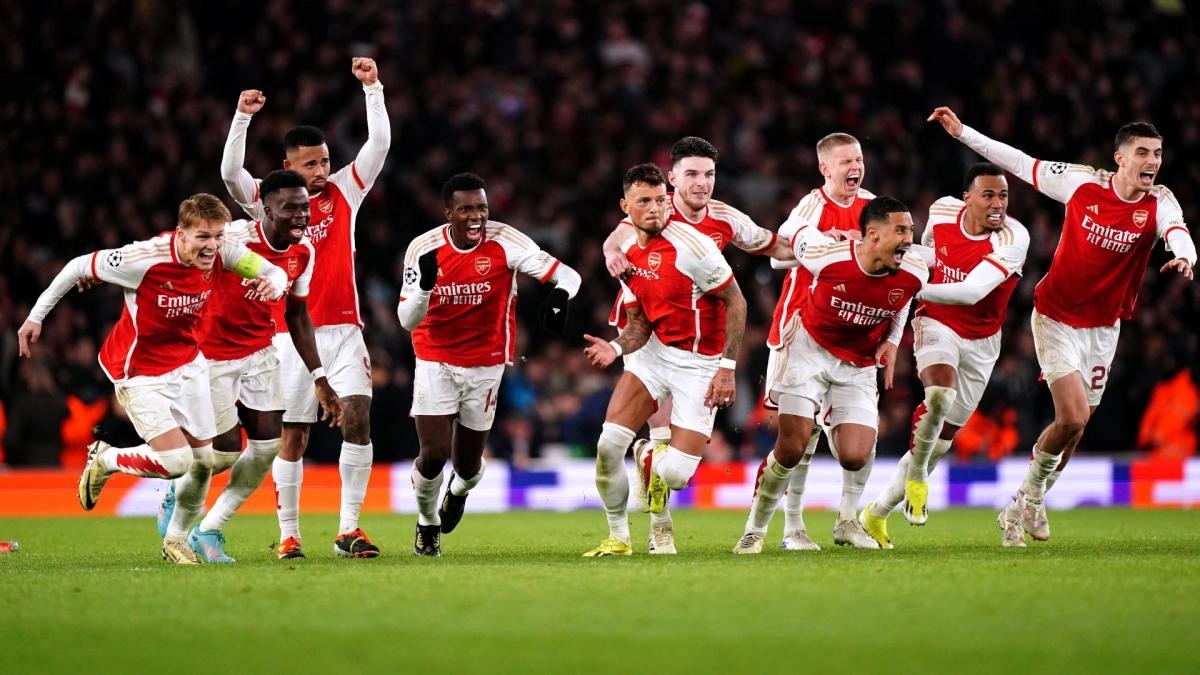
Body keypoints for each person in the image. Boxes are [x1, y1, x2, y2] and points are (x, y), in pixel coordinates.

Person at [928, 106, 1196, 547]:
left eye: (1158, 154)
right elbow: (1020, 162)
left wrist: (1185, 255)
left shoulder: (1159, 202)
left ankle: (1019, 506)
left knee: (1075, 428)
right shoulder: (1082, 183)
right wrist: (963, 134)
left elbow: (1177, 230)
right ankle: (1032, 497)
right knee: (1071, 416)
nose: (1152, 161)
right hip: (1055, 316)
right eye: (1143, 153)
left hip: (1104, 328)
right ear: (1120, 159)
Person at [17, 194, 288, 564]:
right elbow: (78, 266)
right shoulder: (144, 258)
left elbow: (272, 270)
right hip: (140, 372)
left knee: (204, 461)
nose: (212, 246)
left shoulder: (222, 252)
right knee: (177, 461)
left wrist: (274, 283)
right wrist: (36, 317)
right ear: (181, 233)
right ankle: (108, 458)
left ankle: (176, 540)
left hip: (189, 365)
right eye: (202, 237)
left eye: (217, 236)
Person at [220, 57, 391, 558]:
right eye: (311, 164)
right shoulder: (269, 200)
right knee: (292, 436)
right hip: (289, 335)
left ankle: (348, 529)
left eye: (324, 161)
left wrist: (373, 89)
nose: (321, 171)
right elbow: (230, 174)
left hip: (344, 331)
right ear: (289, 165)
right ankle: (289, 535)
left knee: (358, 416)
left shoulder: (345, 191)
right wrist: (242, 117)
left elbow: (379, 144)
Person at [600, 136, 790, 555]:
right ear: (673, 179)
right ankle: (660, 528)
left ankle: (653, 475)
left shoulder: (725, 218)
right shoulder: (654, 208)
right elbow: (616, 236)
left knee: (671, 461)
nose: (701, 183)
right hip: (648, 331)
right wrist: (611, 252)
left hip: (698, 343)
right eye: (691, 174)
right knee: (659, 429)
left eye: (709, 174)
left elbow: (775, 245)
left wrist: (829, 251)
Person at [157, 170, 345, 562]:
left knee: (266, 447)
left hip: (259, 353)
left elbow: (297, 315)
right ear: (266, 209)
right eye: (289, 207)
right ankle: (178, 489)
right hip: (210, 355)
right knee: (224, 452)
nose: (301, 215)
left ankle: (209, 529)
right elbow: (180, 249)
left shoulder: (304, 252)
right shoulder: (232, 239)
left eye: (304, 207)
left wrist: (319, 376)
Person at [397, 172, 580, 557]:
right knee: (433, 455)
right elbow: (407, 320)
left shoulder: (506, 241)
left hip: (486, 364)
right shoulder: (423, 249)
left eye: (481, 207)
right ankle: (427, 523)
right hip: (435, 359)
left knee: (467, 468)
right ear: (448, 213)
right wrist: (425, 288)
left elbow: (568, 273)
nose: (477, 216)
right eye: (466, 209)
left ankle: (458, 491)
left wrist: (561, 293)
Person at [733, 197, 927, 554]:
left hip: (858, 363)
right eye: (900, 230)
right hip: (808, 351)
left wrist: (892, 339)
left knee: (855, 454)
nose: (908, 239)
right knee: (792, 447)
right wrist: (824, 234)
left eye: (910, 231)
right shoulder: (827, 255)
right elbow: (789, 234)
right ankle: (754, 530)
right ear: (872, 234)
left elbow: (903, 298)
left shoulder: (914, 269)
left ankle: (847, 522)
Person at [858, 163, 1030, 548]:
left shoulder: (1013, 237)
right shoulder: (941, 211)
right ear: (967, 198)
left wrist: (909, 286)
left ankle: (876, 513)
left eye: (1003, 195)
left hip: (982, 341)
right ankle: (918, 476)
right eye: (988, 195)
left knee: (941, 439)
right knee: (939, 394)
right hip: (936, 321)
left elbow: (971, 292)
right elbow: (930, 255)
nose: (998, 204)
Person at [582, 163, 747, 557]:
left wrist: (726, 369)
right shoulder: (627, 252)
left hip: (699, 364)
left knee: (674, 476)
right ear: (626, 207)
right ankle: (619, 538)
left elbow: (737, 302)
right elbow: (638, 325)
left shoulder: (693, 247)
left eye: (660, 200)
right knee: (608, 445)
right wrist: (615, 348)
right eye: (644, 201)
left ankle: (647, 454)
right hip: (653, 354)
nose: (655, 208)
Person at [759, 132, 879, 551]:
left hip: (853, 335)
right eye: (846, 161)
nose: (855, 167)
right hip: (800, 330)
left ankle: (848, 520)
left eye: (858, 159)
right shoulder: (813, 205)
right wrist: (830, 244)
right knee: (800, 437)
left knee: (858, 443)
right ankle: (792, 528)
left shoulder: (874, 207)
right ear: (825, 168)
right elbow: (777, 255)